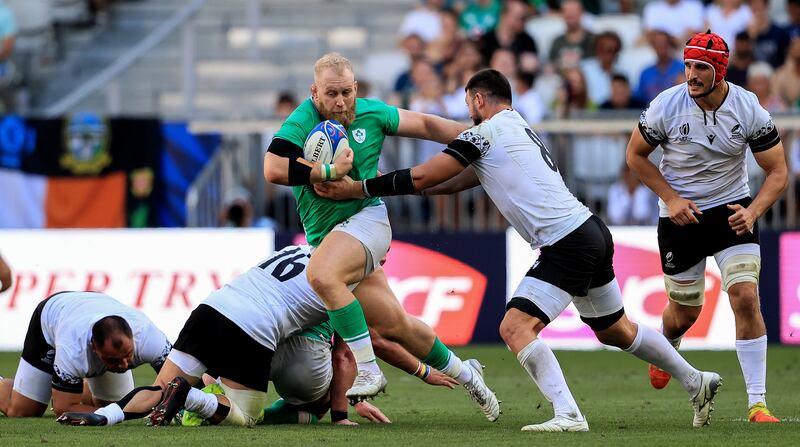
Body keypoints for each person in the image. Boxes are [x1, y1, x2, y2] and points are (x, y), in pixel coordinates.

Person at [314, 68, 722, 432]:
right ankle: (694, 380)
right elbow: (455, 182)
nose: (468, 114)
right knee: (617, 330)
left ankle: (569, 415)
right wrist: (397, 185)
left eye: (468, 104)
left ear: (477, 99)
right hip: (590, 231)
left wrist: (362, 187)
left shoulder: (485, 133)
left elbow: (422, 176)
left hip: (566, 241)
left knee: (514, 328)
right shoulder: (517, 127)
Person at [262, 52, 499, 421]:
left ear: (355, 88)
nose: (340, 101)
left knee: (322, 276)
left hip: (367, 220)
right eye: (330, 94)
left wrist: (485, 132)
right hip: (329, 238)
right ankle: (468, 373)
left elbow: (424, 124)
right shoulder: (302, 120)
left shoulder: (373, 113)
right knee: (395, 325)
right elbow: (273, 169)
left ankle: (368, 369)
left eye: (346, 92)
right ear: (314, 92)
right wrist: (328, 169)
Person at [56, 245, 462, 428]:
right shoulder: (343, 279)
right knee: (245, 417)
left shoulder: (296, 249)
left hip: (212, 308)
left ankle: (102, 418)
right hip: (253, 330)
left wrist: (102, 411)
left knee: (160, 388)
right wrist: (424, 370)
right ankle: (194, 395)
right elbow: (375, 339)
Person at [627, 31, 788, 423]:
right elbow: (635, 156)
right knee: (683, 313)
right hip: (681, 216)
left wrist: (754, 212)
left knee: (746, 298)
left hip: (732, 211)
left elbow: (778, 171)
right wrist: (672, 198)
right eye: (688, 66)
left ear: (720, 70)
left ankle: (757, 403)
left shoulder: (748, 108)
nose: (691, 75)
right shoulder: (666, 105)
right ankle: (669, 344)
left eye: (701, 67)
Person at [0, 291, 172, 418]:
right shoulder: (73, 349)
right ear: (94, 348)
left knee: (111, 405)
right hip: (51, 316)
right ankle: (64, 383)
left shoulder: (149, 338)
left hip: (90, 306)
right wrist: (117, 414)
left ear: (133, 340)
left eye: (128, 355)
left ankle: (69, 384)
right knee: (23, 411)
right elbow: (64, 409)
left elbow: (180, 379)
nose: (124, 365)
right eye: (113, 359)